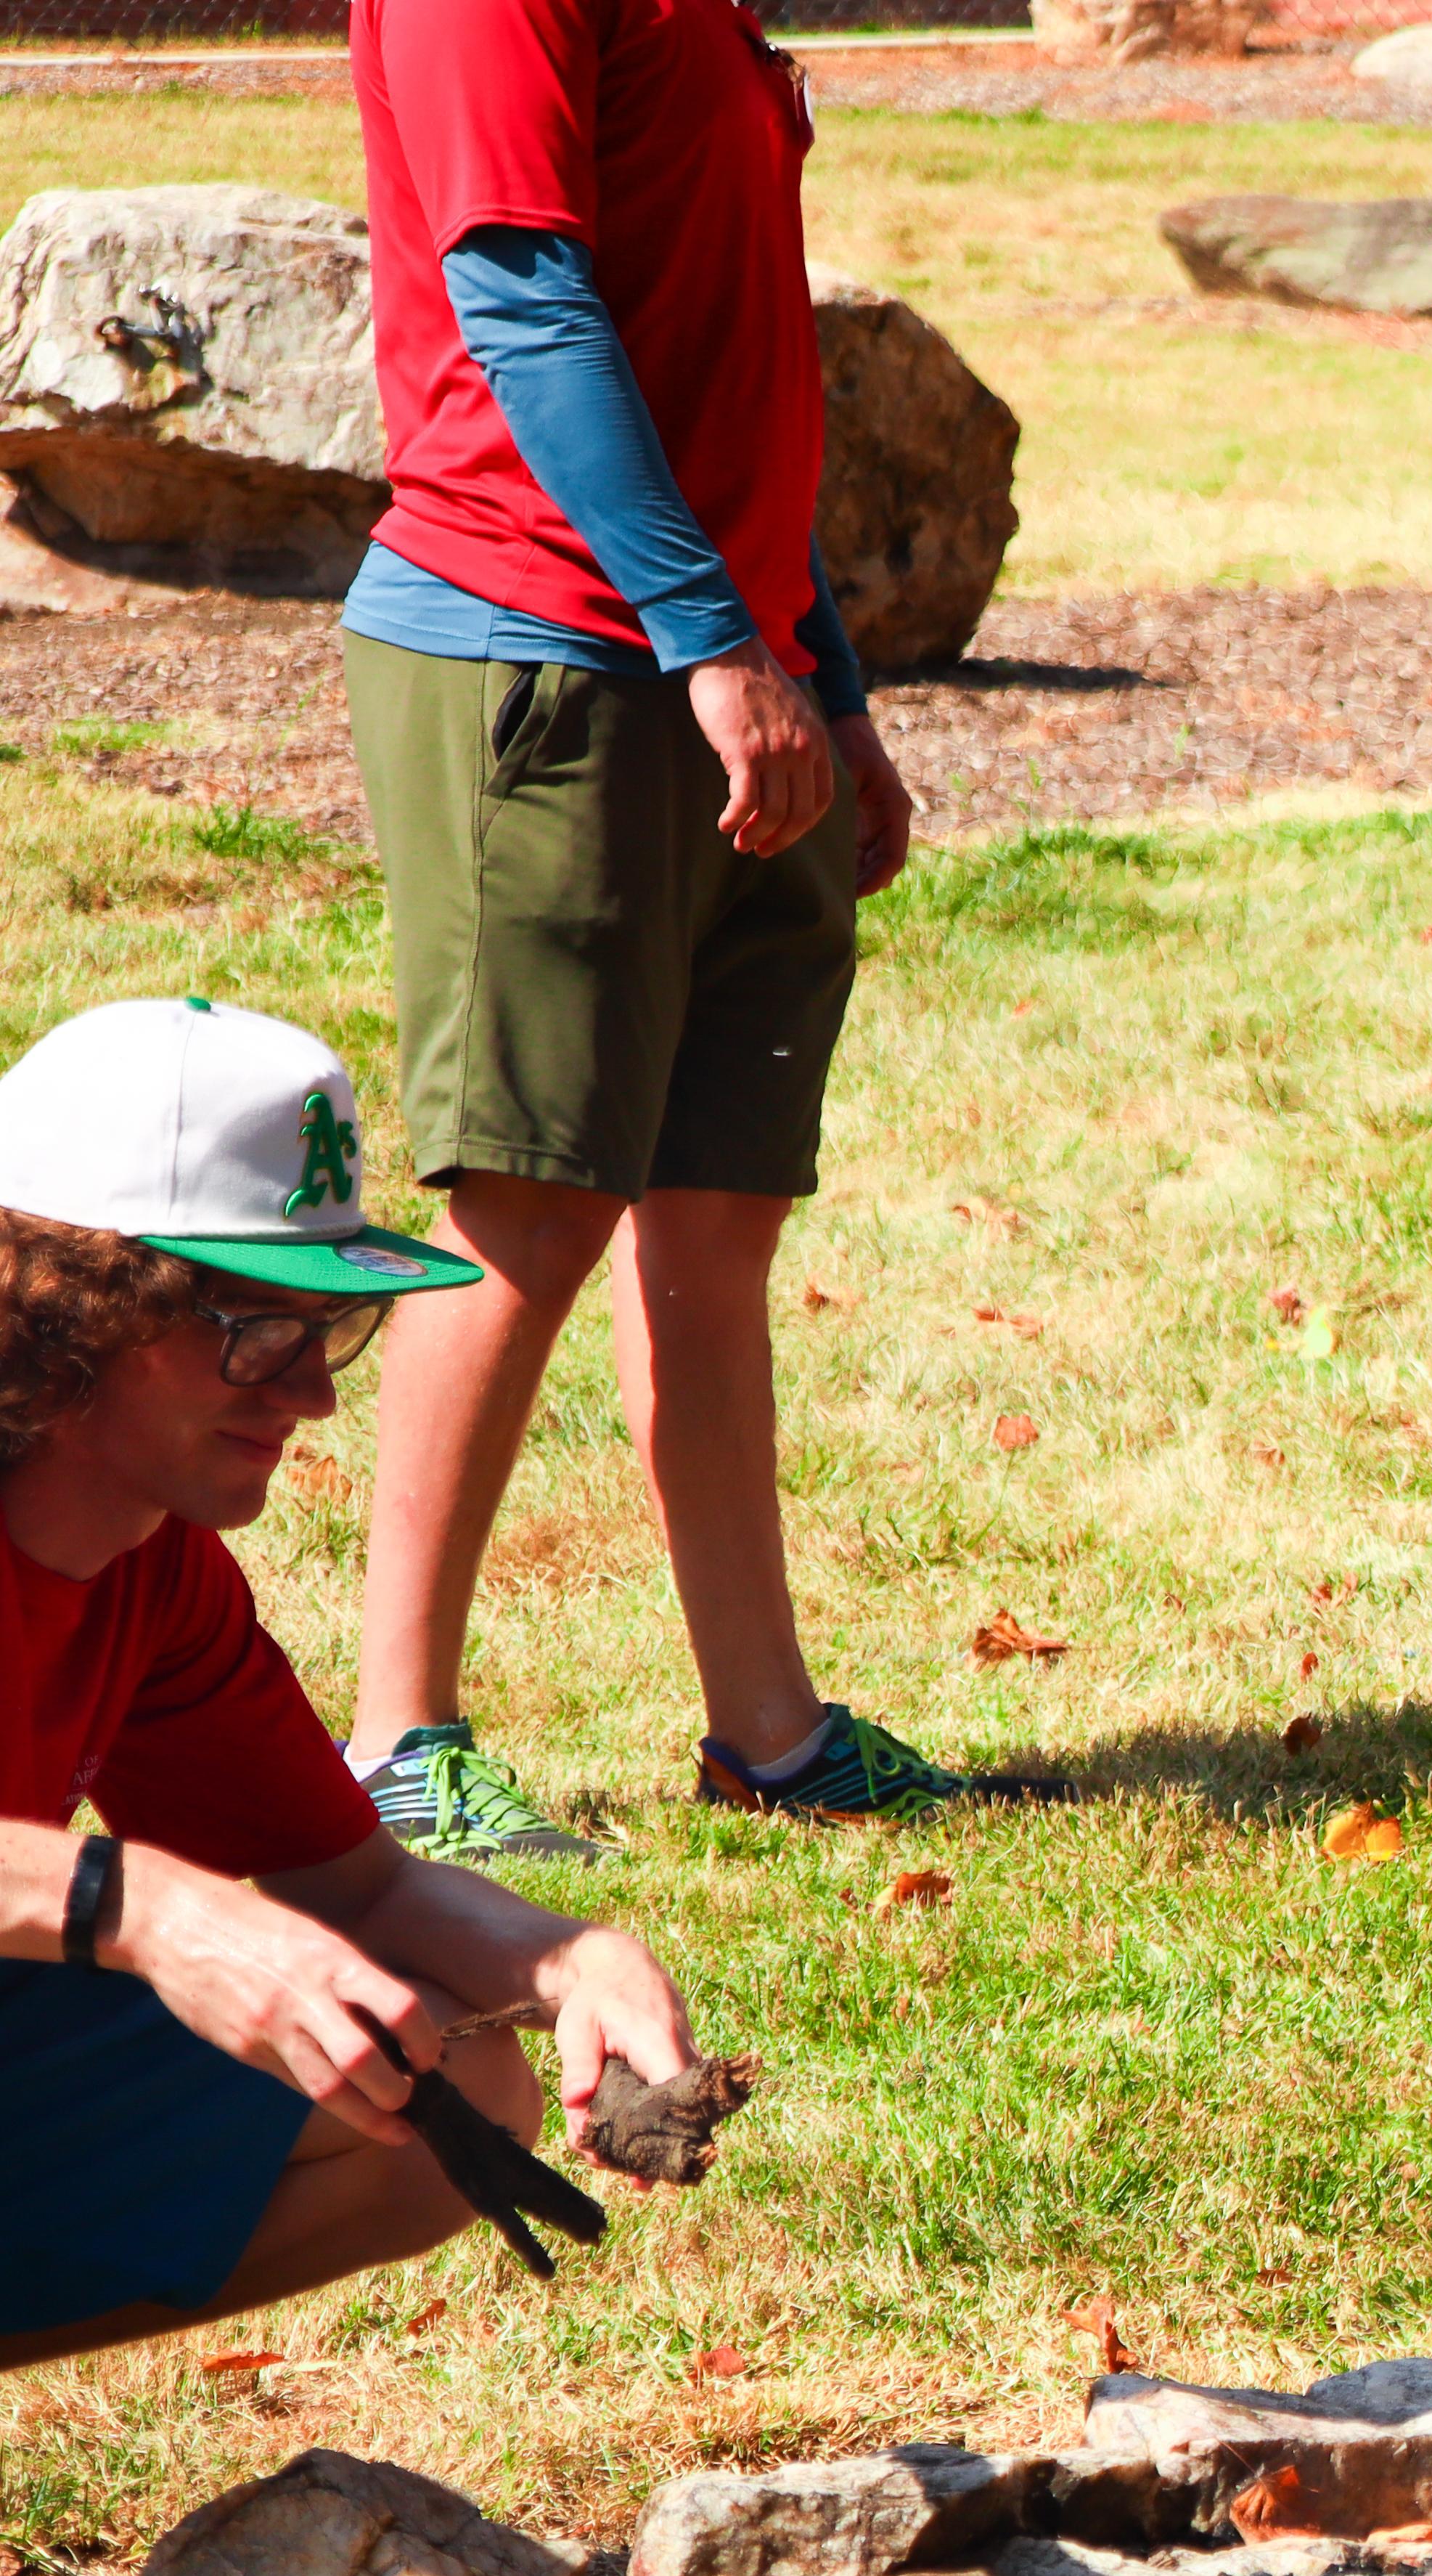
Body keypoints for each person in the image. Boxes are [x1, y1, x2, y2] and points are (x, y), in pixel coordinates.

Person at [343, 0, 1035, 1845]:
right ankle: (400, 1746)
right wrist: (713, 642)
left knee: (712, 1212)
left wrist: (833, 684)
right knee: (527, 1197)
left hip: (735, 667)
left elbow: (737, 368)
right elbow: (523, 291)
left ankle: (772, 1734)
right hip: (546, 652)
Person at [1, 1002, 700, 2372]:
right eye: (262, 1331)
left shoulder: (156, 1565)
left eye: (334, 1332)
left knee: (448, 2089)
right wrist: (146, 1910)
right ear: (76, 1304)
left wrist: (574, 1962)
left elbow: (359, 1890)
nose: (312, 1396)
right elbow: (162, 1911)